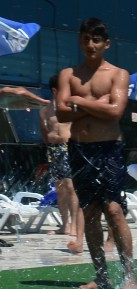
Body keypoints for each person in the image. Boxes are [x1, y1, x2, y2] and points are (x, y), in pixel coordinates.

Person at [56, 18, 137, 289]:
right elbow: (61, 114)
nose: (90, 44)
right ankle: (101, 276)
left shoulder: (118, 74)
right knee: (89, 213)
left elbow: (116, 112)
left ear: (106, 44)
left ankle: (129, 276)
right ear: (80, 41)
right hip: (80, 149)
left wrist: (79, 101)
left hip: (109, 149)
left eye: (96, 40)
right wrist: (97, 104)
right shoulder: (69, 75)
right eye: (86, 39)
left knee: (114, 210)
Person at [39, 74, 84, 253]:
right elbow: (44, 131)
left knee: (70, 187)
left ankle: (74, 225)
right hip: (53, 150)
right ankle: (64, 225)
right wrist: (49, 146)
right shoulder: (45, 109)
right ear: (55, 90)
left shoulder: (70, 107)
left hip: (68, 148)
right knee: (59, 188)